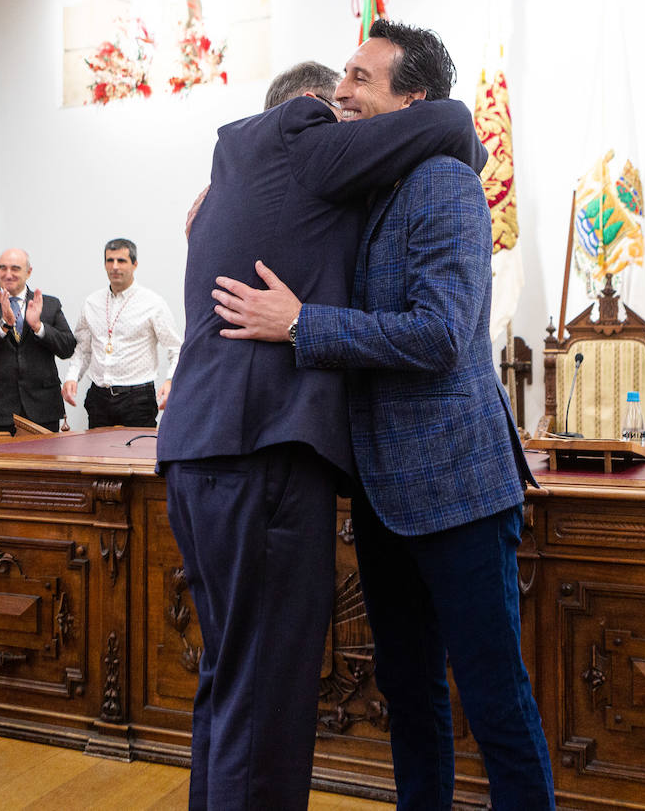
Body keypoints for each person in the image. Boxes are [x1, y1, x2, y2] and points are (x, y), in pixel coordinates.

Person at [211, 20, 556, 811]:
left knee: (494, 699)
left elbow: (439, 333)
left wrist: (300, 324)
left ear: (414, 100)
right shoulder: (362, 184)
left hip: (456, 487)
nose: (342, 91)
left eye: (362, 79)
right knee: (408, 697)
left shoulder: (444, 180)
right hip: (382, 492)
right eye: (343, 75)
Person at [157, 59, 489, 811]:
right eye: (340, 99)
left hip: (202, 455)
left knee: (232, 682)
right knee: (269, 697)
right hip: (262, 454)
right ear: (312, 111)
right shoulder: (299, 132)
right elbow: (453, 120)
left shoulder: (235, 189)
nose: (349, 106)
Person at [61, 238, 181, 429]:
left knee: (138, 457)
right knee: (95, 457)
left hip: (137, 399)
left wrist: (170, 380)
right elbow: (83, 349)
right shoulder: (92, 303)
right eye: (110, 261)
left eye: (121, 261)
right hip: (99, 397)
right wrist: (72, 377)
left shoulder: (152, 303)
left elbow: (176, 348)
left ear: (135, 264)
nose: (115, 267)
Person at [0, 248, 76, 432]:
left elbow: (67, 347)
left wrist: (39, 326)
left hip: (42, 409)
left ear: (28, 272)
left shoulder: (49, 304)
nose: (8, 274)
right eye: (2, 268)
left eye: (15, 268)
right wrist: (3, 325)